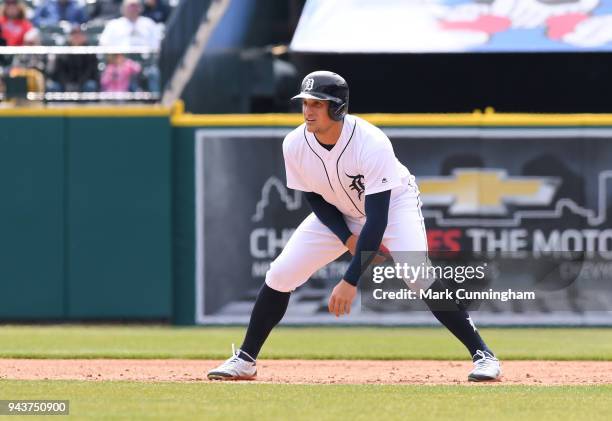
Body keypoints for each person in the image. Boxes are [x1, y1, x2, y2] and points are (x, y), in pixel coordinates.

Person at [207, 71, 502, 383]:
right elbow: (314, 198)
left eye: (317, 104)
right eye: (305, 103)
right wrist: (346, 237)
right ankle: (245, 359)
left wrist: (349, 280)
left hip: (394, 205)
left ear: (337, 108)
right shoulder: (294, 143)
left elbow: (377, 219)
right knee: (281, 274)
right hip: (338, 210)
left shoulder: (371, 142)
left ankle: (483, 355)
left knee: (417, 273)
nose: (308, 110)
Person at [98, 0, 160, 92]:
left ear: (140, 8)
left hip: (145, 63)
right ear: (123, 9)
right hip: (119, 63)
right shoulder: (114, 24)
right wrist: (118, 59)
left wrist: (146, 61)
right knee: (117, 71)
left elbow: (156, 46)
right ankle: (119, 103)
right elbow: (103, 44)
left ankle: (155, 102)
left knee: (153, 73)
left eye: (135, 6)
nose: (133, 9)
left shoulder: (149, 24)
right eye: (130, 6)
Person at [47, 25, 99, 93]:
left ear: (84, 36)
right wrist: (66, 84)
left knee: (90, 85)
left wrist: (80, 84)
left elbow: (90, 72)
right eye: (74, 34)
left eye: (79, 34)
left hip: (83, 82)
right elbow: (59, 72)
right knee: (54, 86)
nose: (76, 37)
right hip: (65, 82)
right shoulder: (62, 51)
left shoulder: (90, 52)